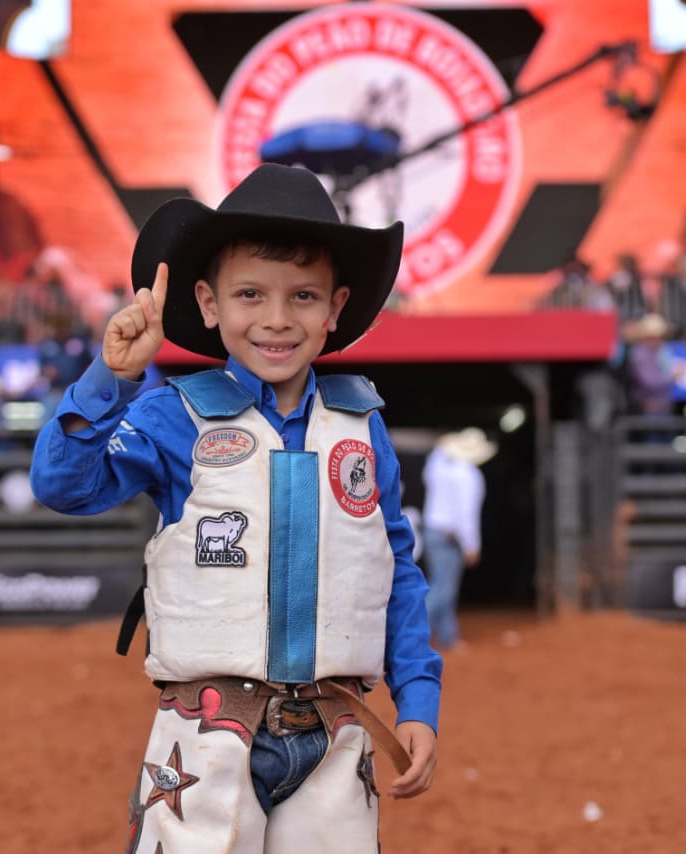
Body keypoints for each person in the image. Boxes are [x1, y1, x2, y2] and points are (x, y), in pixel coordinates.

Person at [29, 163, 441, 853]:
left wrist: (419, 700)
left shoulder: (362, 427)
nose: (277, 319)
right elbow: (63, 485)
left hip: (337, 736)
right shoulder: (171, 415)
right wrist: (115, 376)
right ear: (209, 302)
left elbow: (393, 569)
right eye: (250, 294)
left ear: (334, 308)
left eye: (303, 297)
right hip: (205, 742)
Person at [421, 427, 497, 651]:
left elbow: (433, 461)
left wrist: (443, 446)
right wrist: (472, 545)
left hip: (432, 532)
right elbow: (467, 513)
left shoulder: (440, 468)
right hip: (449, 536)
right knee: (442, 589)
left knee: (441, 585)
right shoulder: (469, 475)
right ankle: (411, 637)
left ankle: (448, 637)